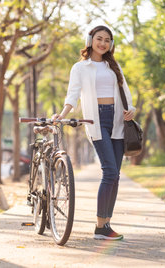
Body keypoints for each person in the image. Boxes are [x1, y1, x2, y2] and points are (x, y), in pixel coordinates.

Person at [52, 25, 135, 240]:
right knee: (109, 172)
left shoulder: (113, 66)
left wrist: (131, 109)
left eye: (107, 40)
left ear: (111, 44)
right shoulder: (80, 68)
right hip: (96, 120)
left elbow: (125, 91)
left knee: (115, 175)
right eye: (99, 38)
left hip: (117, 119)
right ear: (90, 40)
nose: (103, 43)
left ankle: (106, 223)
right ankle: (100, 226)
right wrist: (62, 114)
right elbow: (73, 95)